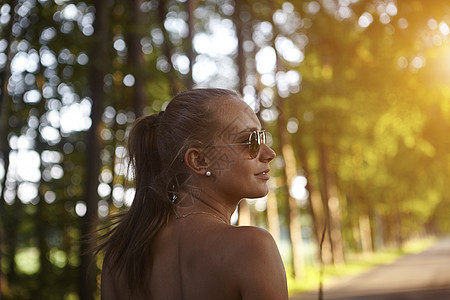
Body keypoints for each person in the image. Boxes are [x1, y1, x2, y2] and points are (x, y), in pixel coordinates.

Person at [98, 88, 288, 299]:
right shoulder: (252, 248)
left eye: (262, 137)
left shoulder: (119, 256)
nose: (269, 154)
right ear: (199, 160)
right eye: (250, 141)